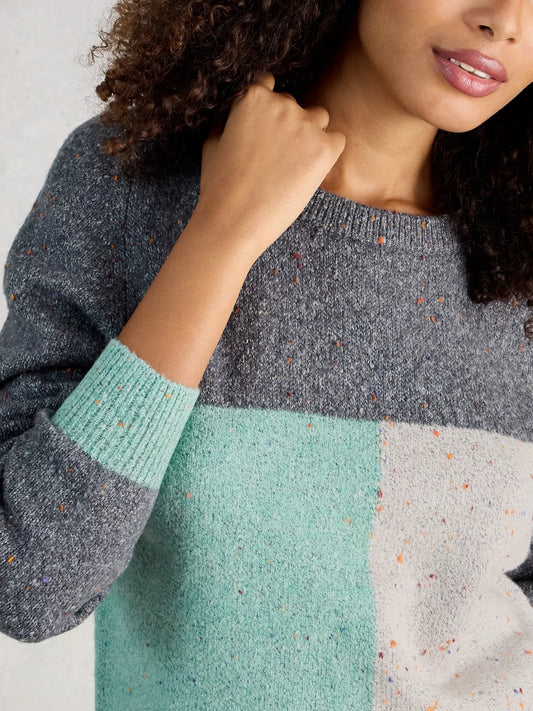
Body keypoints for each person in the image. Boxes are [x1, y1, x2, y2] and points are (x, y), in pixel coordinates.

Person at [1, 0, 532, 708]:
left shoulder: (519, 262)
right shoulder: (132, 182)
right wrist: (222, 233)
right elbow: (28, 582)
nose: (506, 21)